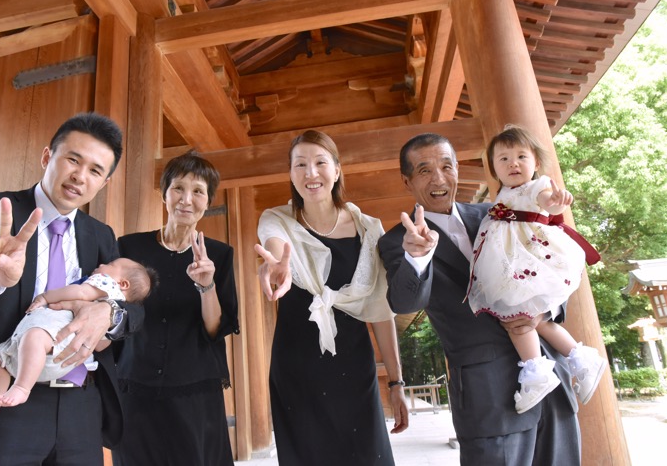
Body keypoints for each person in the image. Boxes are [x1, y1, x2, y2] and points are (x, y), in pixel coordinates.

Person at [0, 113, 144, 466]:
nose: (80, 176)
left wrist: (108, 312)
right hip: (3, 397)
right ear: (47, 157)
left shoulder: (101, 235)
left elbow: (134, 308)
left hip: (81, 404)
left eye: (95, 170)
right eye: (73, 159)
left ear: (103, 183)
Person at [377, 132, 581, 466]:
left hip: (550, 379)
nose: (439, 178)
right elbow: (404, 303)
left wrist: (543, 313)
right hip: (488, 396)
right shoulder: (397, 241)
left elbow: (550, 266)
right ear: (407, 180)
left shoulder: (500, 212)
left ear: (458, 169)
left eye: (447, 166)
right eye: (425, 170)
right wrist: (417, 259)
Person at [254, 130, 408, 465]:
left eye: (320, 162)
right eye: (300, 165)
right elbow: (275, 246)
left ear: (336, 170)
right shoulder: (277, 220)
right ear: (291, 174)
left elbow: (381, 310)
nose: (311, 173)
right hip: (296, 365)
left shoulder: (369, 229)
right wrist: (277, 270)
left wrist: (396, 381)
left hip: (354, 365)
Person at [467, 125, 607, 413]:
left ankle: (537, 373)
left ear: (536, 163)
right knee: (537, 321)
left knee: (518, 319)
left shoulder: (537, 186)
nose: (513, 163)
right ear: (494, 168)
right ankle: (580, 358)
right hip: (513, 263)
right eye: (503, 159)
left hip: (531, 260)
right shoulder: (504, 192)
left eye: (521, 156)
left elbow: (547, 200)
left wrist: (554, 203)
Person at [113, 151, 239, 466]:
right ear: (165, 193)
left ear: (208, 201)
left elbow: (215, 329)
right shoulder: (129, 247)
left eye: (198, 191)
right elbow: (112, 311)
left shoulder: (219, 255)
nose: (186, 199)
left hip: (194, 390)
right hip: (135, 385)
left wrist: (206, 284)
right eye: (178, 188)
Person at [0, 258, 157, 416]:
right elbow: (100, 346)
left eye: (111, 264)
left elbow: (78, 291)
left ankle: (21, 388)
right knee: (1, 358)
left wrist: (45, 297)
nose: (102, 264)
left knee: (21, 346)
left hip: (55, 334)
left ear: (122, 283)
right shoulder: (110, 313)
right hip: (64, 361)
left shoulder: (105, 285)